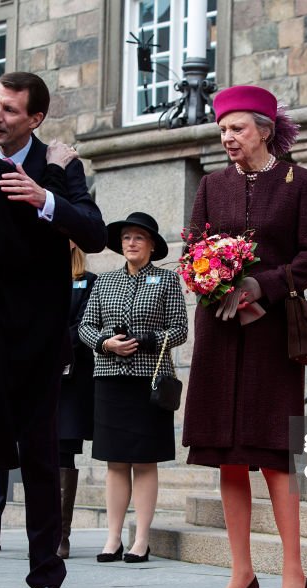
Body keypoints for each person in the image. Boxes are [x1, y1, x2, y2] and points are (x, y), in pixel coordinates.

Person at [0, 71, 106, 588]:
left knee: (42, 460)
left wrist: (45, 198)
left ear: (35, 119)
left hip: (41, 341)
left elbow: (95, 231)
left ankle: (46, 577)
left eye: (10, 110)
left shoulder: (59, 165)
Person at [182, 85, 307, 588]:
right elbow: (192, 250)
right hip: (220, 332)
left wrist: (261, 284)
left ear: (264, 131)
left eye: (237, 128)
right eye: (223, 130)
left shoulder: (299, 183)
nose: (228, 138)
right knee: (227, 454)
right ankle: (241, 572)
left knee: (274, 454)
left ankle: (294, 571)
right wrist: (213, 280)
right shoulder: (210, 185)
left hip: (272, 333)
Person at [78, 213, 187, 563]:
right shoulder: (104, 281)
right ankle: (112, 538)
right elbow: (85, 326)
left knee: (144, 461)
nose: (131, 243)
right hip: (109, 378)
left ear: (152, 245)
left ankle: (141, 538)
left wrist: (148, 340)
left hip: (148, 381)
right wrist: (105, 344)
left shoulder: (167, 280)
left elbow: (180, 329)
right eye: (126, 237)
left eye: (139, 237)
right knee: (114, 461)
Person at [57, 241, 96, 558]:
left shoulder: (88, 280)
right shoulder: (33, 273)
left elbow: (84, 326)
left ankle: (61, 535)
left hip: (71, 377)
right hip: (36, 375)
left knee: (64, 450)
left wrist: (49, 344)